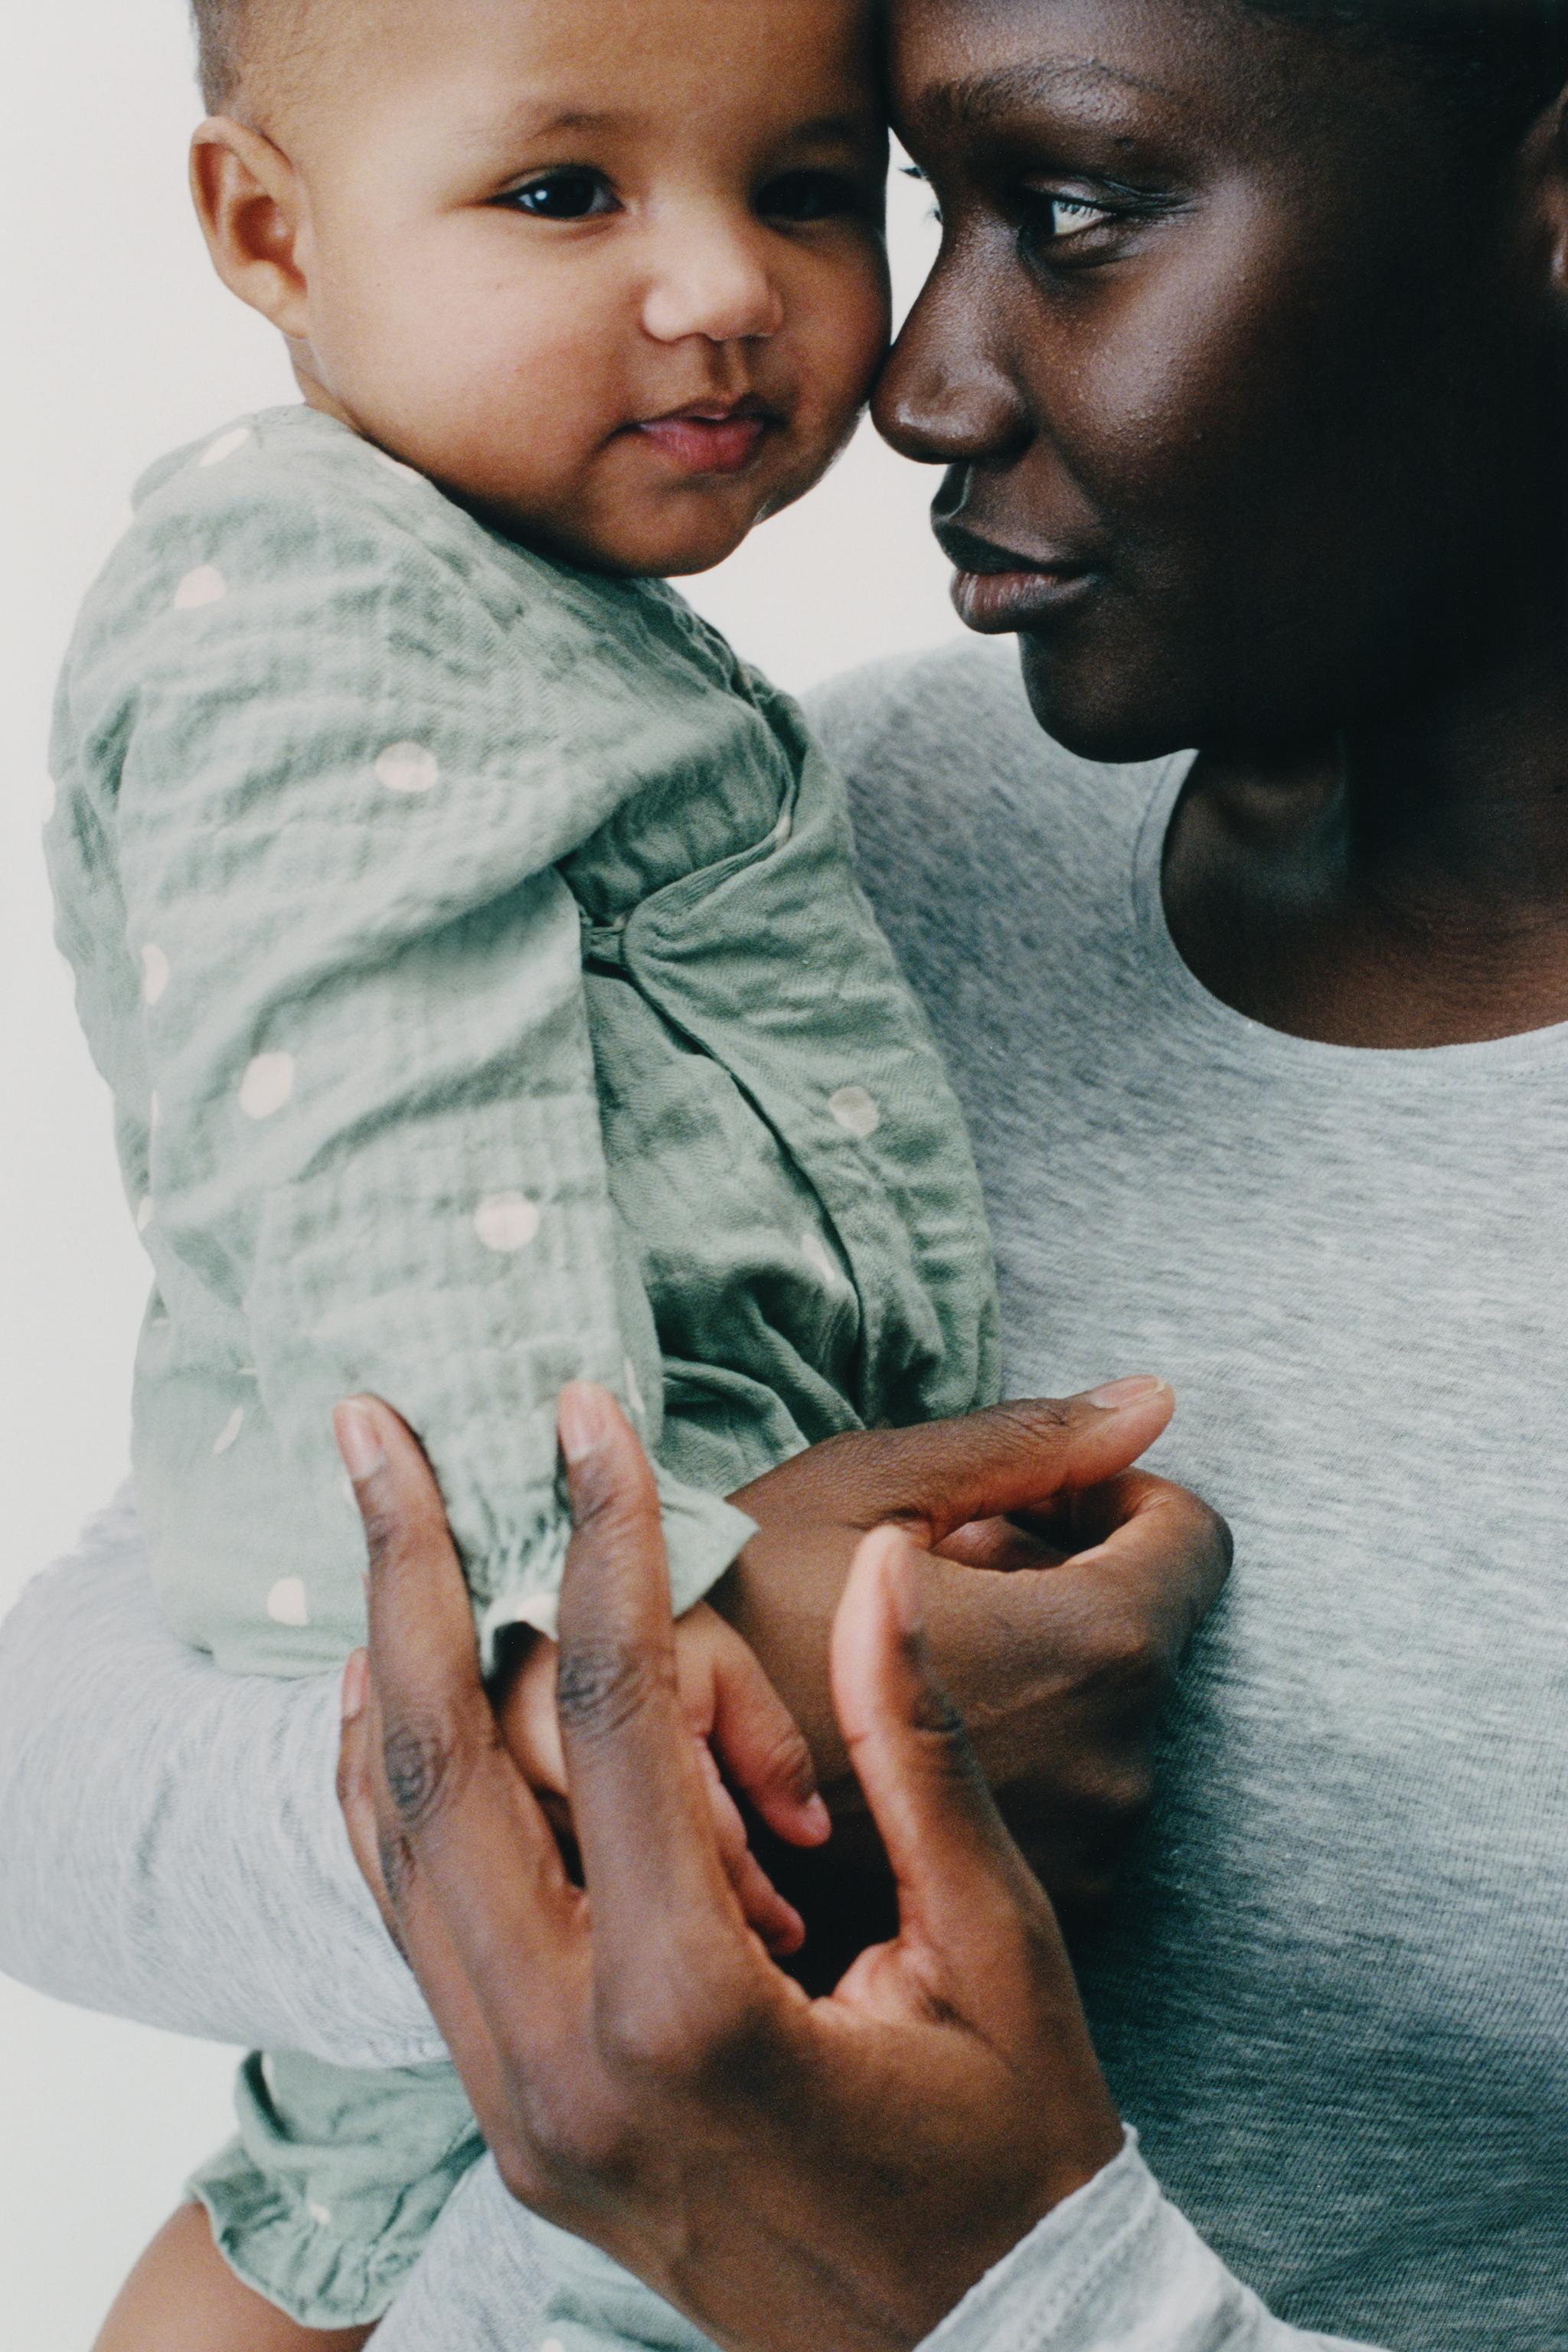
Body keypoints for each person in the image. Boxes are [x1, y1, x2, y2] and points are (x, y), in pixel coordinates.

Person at [5, 0, 1568, 2341]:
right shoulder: (821, 842)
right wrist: (663, 1782)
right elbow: (71, 1752)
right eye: (925, 211)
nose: (912, 384)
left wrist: (981, 2277)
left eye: (1067, 208)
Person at [44, 0, 1011, 2338]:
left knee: (366, 2178)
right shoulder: (307, 583)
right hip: (517, 1640)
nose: (722, 290)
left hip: (596, 1631)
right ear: (266, 229)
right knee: (377, 2195)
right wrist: (589, 1620)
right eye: (566, 194)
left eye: (804, 187)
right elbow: (382, 1131)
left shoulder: (544, 609)